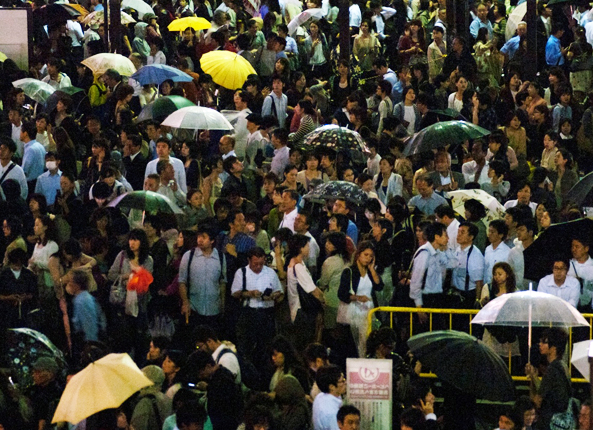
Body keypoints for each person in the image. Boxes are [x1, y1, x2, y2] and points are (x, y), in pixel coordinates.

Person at [232, 247, 283, 365]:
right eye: (255, 264)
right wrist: (250, 293)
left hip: (267, 313)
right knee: (247, 347)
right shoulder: (242, 273)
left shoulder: (270, 273)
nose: (259, 267)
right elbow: (235, 292)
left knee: (266, 347)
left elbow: (279, 291)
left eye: (261, 263)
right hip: (249, 313)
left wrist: (273, 296)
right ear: (249, 260)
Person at [338, 241, 383, 357]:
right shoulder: (349, 272)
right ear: (358, 255)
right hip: (353, 314)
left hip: (369, 312)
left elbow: (379, 286)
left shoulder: (370, 272)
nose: (368, 258)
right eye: (365, 255)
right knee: (354, 345)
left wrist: (372, 269)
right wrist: (357, 298)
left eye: (371, 256)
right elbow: (342, 294)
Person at [179, 226, 225, 330]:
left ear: (212, 240)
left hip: (214, 309)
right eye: (199, 236)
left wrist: (222, 304)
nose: (199, 240)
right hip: (194, 308)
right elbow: (182, 281)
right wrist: (185, 302)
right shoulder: (189, 256)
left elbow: (222, 282)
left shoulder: (221, 257)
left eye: (203, 237)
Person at [525, 328, 571, 430]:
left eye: (544, 342)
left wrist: (533, 375)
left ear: (553, 348)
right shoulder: (563, 366)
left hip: (550, 421)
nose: (540, 344)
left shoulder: (552, 369)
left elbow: (537, 400)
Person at [287, 234, 325, 351]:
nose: (309, 248)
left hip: (299, 310)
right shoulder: (297, 267)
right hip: (302, 311)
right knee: (307, 345)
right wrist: (324, 302)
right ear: (300, 248)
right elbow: (313, 290)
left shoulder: (296, 263)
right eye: (307, 246)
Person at [312, 365, 346, 430]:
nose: (345, 382)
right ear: (331, 387)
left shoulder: (320, 396)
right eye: (342, 381)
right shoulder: (332, 413)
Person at [483, 219, 511, 285]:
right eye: (489, 231)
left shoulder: (507, 251)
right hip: (487, 284)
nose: (489, 234)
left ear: (500, 235)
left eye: (492, 232)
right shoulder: (488, 249)